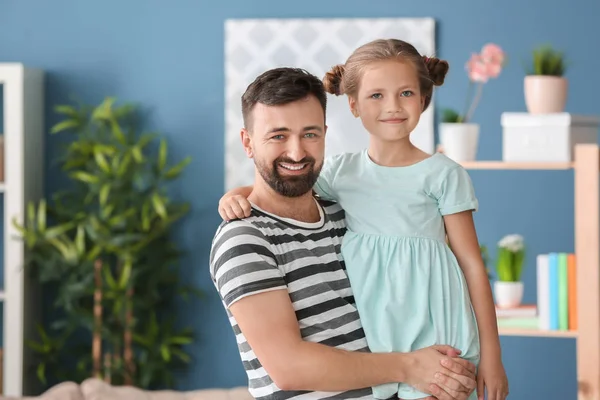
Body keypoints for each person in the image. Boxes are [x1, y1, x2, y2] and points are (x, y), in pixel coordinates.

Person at [218, 39, 509, 400]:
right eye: (278, 136)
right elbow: (288, 367)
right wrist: (235, 194)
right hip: (397, 359)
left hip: (431, 343)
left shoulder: (352, 207)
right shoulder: (258, 229)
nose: (297, 151)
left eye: (310, 134)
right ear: (353, 105)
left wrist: (490, 358)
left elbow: (470, 266)